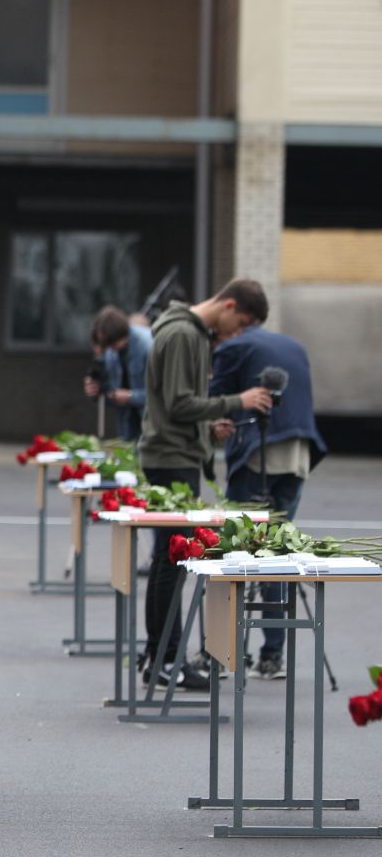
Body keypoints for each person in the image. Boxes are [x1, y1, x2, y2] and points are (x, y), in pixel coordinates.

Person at [137, 278, 273, 689]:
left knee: (170, 559)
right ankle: (164, 658)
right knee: (173, 562)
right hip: (170, 458)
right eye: (239, 323)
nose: (234, 334)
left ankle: (159, 657)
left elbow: (177, 404)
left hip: (177, 453)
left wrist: (208, 427)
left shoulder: (188, 332)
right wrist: (238, 401)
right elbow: (179, 404)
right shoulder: (182, 334)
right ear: (228, 304)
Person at [210, 323, 326, 679]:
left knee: (235, 551)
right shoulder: (291, 343)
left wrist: (217, 425)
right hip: (297, 454)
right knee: (275, 551)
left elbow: (216, 405)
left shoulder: (232, 347)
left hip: (259, 454)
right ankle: (272, 654)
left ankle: (219, 651)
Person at [84, 304, 151, 441]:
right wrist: (98, 391)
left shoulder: (148, 347)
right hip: (126, 426)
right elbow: (112, 392)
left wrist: (131, 396)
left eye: (111, 344)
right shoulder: (112, 351)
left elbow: (161, 395)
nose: (109, 350)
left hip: (151, 427)